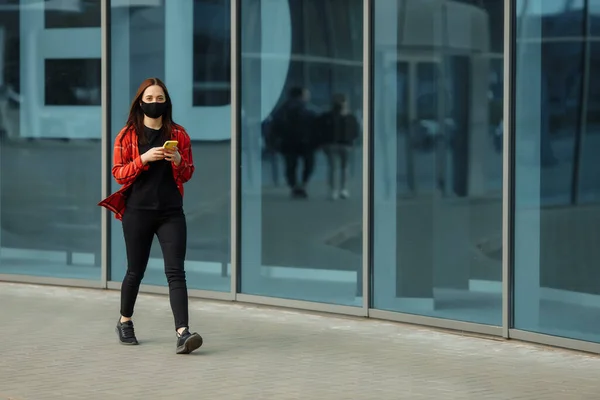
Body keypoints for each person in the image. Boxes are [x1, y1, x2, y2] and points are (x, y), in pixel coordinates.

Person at [98, 77, 203, 355]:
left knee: (176, 272)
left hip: (171, 212)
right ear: (140, 102)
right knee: (135, 271)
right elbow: (118, 173)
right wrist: (143, 159)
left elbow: (189, 173)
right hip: (137, 212)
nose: (154, 103)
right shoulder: (128, 135)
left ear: (166, 102)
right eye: (149, 99)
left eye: (159, 99)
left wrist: (179, 161)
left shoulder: (179, 134)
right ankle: (125, 321)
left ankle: (183, 333)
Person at [270, 87, 318, 198]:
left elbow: (274, 127)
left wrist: (273, 142)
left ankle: (294, 186)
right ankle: (303, 184)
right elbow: (316, 126)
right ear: (301, 95)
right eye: (307, 94)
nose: (308, 96)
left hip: (288, 142)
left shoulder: (282, 109)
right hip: (306, 142)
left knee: (290, 165)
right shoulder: (308, 109)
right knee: (309, 164)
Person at [318, 94, 360, 199]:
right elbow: (356, 131)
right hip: (341, 144)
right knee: (341, 168)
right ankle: (341, 189)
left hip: (336, 144)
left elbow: (320, 130)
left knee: (336, 168)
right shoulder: (350, 117)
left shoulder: (327, 116)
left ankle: (337, 190)